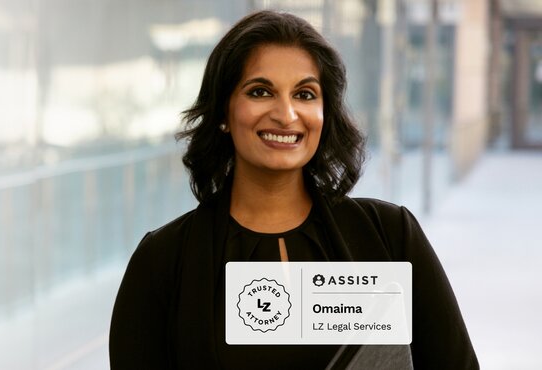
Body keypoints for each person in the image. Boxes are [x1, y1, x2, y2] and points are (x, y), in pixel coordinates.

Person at [107, 10, 478, 369]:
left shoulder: (390, 235)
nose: (286, 114)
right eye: (260, 91)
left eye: (304, 94)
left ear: (325, 113)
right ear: (223, 112)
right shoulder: (163, 260)